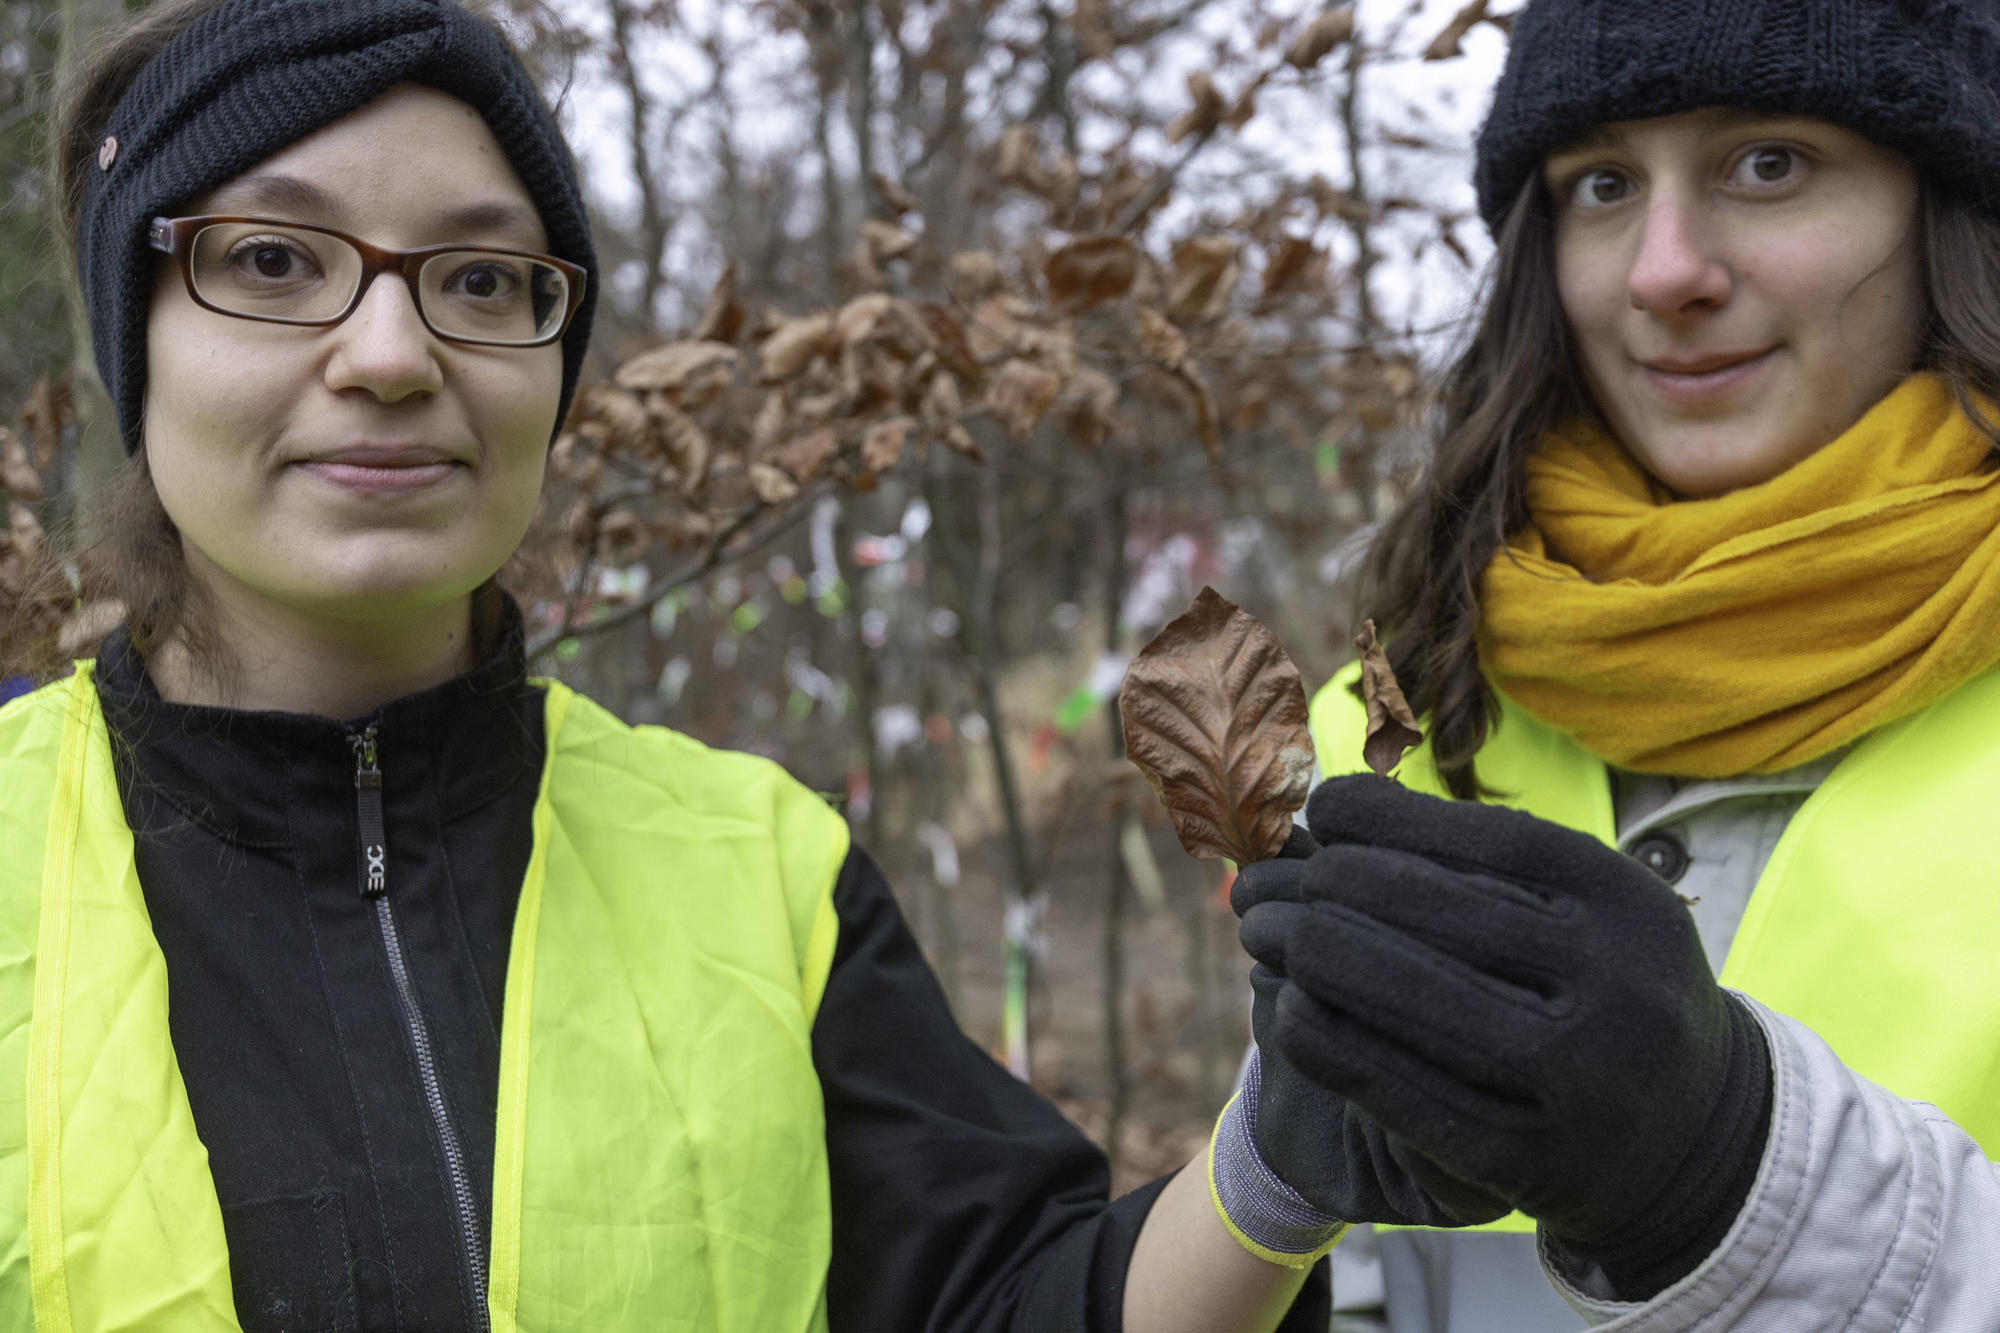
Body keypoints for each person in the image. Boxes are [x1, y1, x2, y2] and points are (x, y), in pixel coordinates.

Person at [0, 1, 1346, 1328]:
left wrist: (1277, 1165)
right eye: (275, 261)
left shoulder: (762, 872)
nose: (394, 354)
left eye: (478, 279)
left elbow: (1011, 1303)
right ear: (139, 339)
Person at [1218, 0, 2000, 1328]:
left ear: (1945, 206)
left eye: (1769, 162)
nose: (1664, 269)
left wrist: (1737, 1180)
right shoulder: (1379, 730)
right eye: (1602, 183)